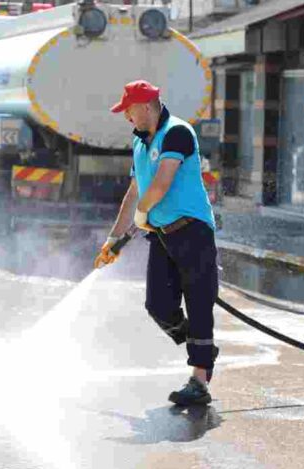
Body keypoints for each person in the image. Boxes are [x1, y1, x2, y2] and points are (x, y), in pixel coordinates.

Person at [94, 80, 220, 406]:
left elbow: (163, 181)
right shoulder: (138, 144)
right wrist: (113, 238)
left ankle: (199, 378)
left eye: (129, 110)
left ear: (147, 106)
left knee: (199, 303)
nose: (126, 118)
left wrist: (142, 213)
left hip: (193, 232)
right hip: (163, 235)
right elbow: (134, 192)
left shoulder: (177, 133)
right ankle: (201, 344)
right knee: (158, 306)